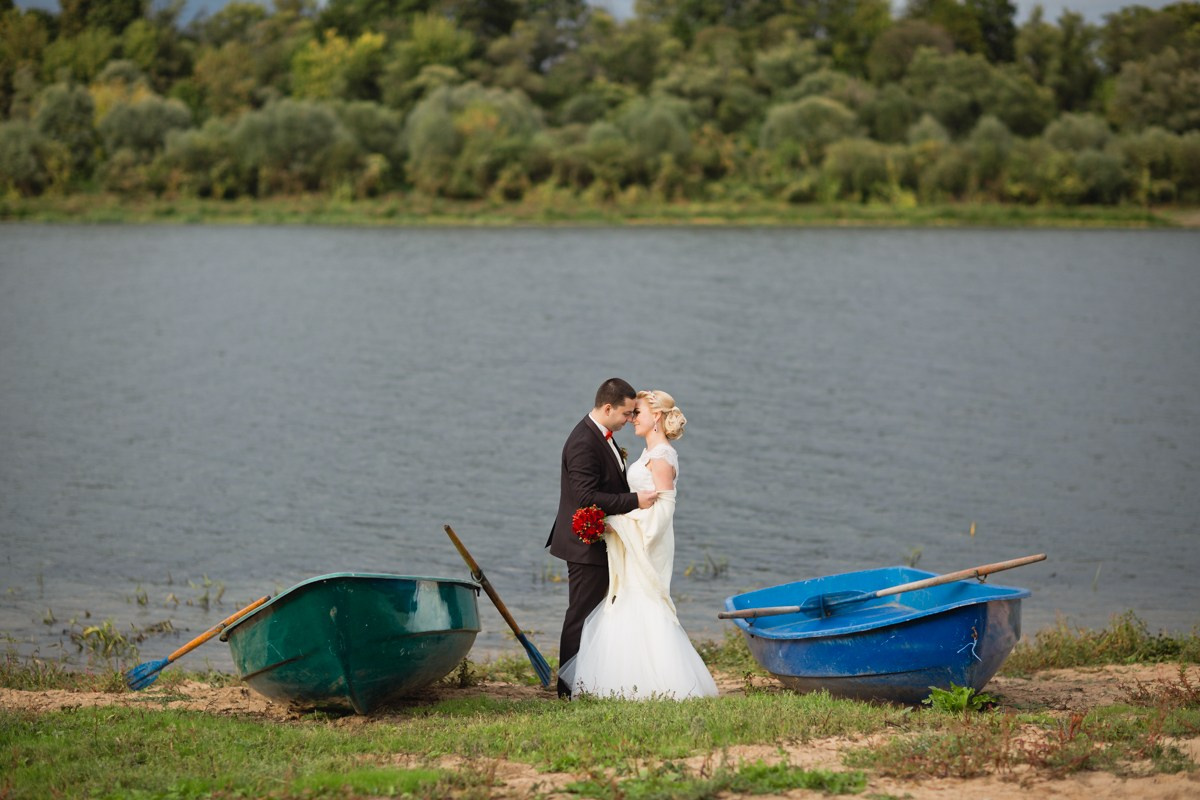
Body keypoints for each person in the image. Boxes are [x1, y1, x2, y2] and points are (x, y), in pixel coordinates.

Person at [557, 389, 719, 700]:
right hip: (629, 542)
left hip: (645, 541)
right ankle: (605, 682)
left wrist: (617, 525)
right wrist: (619, 520)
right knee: (618, 608)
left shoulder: (661, 456)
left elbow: (663, 511)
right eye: (629, 413)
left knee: (644, 605)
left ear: (656, 416)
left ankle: (655, 682)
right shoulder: (647, 452)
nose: (633, 419)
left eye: (638, 413)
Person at [547, 378, 658, 699]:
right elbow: (585, 496)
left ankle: (589, 679)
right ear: (607, 408)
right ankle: (566, 689)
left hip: (600, 539)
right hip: (584, 543)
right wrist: (636, 500)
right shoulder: (583, 441)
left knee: (598, 614)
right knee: (581, 615)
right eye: (625, 414)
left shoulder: (601, 436)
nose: (629, 420)